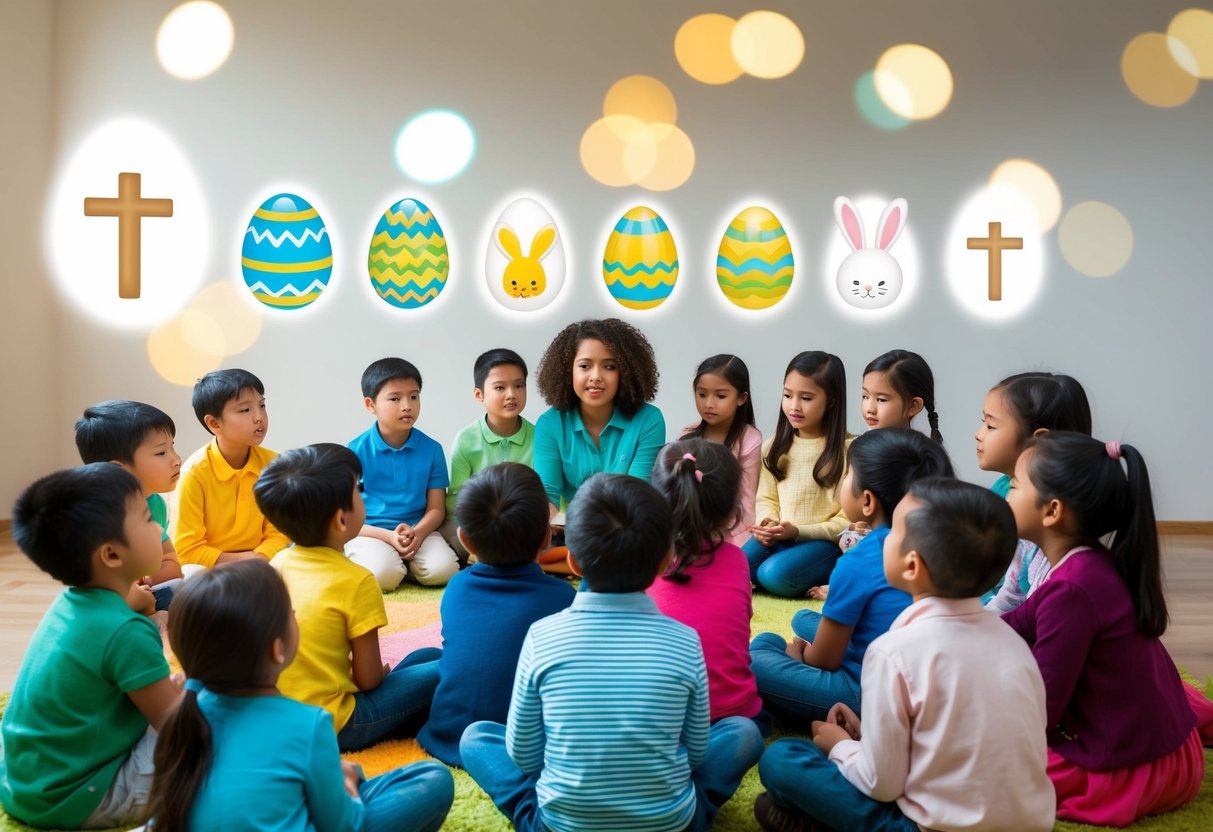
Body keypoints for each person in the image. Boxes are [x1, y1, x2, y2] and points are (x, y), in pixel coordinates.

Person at [460, 473, 764, 832]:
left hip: (560, 824)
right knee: (744, 732)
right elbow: (696, 754)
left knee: (475, 737)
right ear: (666, 559)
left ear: (571, 562)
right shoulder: (685, 640)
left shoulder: (541, 636)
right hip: (671, 825)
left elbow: (524, 756)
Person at [754, 477, 1055, 832]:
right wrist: (869, 736)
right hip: (1031, 824)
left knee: (781, 758)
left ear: (911, 567)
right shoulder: (1016, 646)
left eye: (893, 530)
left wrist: (840, 748)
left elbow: (882, 784)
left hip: (928, 826)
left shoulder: (893, 652)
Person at [145, 559, 454, 831]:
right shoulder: (308, 724)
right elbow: (344, 825)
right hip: (329, 812)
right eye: (291, 614)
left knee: (337, 773)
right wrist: (344, 786)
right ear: (278, 650)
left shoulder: (182, 714)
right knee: (432, 780)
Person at [1003, 432, 1213, 827]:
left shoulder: (1071, 589)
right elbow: (1016, 622)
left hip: (1127, 775)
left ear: (1051, 511)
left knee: (982, 760)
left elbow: (1041, 711)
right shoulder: (1087, 563)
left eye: (1013, 487)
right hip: (1177, 752)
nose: (1005, 497)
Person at [1, 464, 181, 829]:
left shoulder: (71, 602)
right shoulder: (126, 633)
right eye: (148, 519)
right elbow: (176, 723)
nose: (159, 529)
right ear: (112, 555)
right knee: (211, 737)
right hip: (80, 797)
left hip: (28, 783)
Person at [750, 429, 954, 727]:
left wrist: (799, 655)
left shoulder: (861, 559)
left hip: (873, 695)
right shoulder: (943, 546)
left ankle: (784, 707)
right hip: (924, 681)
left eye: (846, 476)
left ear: (868, 501)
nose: (844, 482)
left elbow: (824, 662)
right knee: (803, 619)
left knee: (758, 653)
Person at [254, 444, 442, 751]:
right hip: (339, 726)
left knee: (427, 656)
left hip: (283, 718)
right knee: (446, 666)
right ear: (342, 520)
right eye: (359, 490)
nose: (363, 495)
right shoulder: (356, 581)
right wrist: (378, 674)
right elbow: (368, 681)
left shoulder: (276, 565)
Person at [418, 462, 575, 766]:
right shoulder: (564, 598)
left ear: (465, 540)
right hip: (516, 745)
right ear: (547, 538)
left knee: (431, 657)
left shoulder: (457, 586)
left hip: (445, 735)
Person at [647, 439, 765, 731]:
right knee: (764, 650)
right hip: (732, 715)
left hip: (657, 722)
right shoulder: (737, 560)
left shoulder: (640, 561)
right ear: (731, 511)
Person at [532, 318, 665, 574]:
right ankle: (592, 563)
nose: (596, 377)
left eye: (609, 366)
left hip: (627, 525)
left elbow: (637, 493)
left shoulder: (649, 420)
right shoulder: (549, 424)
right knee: (523, 542)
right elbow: (545, 494)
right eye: (584, 366)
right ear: (567, 371)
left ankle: (573, 564)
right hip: (570, 530)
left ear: (626, 371)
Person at [810, 348, 942, 600]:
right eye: (865, 396)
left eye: (881, 400)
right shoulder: (863, 446)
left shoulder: (916, 457)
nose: (869, 408)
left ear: (913, 406)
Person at [976, 371, 1092, 611]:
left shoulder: (1045, 519)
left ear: (1039, 441)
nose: (978, 434)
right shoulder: (1001, 488)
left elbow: (1023, 602)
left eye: (990, 425)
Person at [346, 357, 459, 590]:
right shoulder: (355, 451)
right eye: (395, 398)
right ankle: (394, 563)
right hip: (371, 532)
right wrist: (389, 538)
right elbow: (347, 517)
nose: (407, 405)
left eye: (414, 396)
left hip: (420, 530)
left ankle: (403, 563)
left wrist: (417, 533)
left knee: (444, 571)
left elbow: (436, 509)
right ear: (370, 404)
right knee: (381, 576)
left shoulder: (432, 449)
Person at [743, 351, 850, 597]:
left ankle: (825, 573)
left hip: (825, 542)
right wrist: (768, 523)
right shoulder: (774, 446)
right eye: (788, 395)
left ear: (831, 401)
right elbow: (766, 499)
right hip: (781, 537)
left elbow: (846, 521)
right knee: (734, 569)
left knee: (773, 575)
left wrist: (798, 532)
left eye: (806, 398)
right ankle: (781, 566)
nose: (794, 406)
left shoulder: (848, 451)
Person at [174, 368, 289, 570]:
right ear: (214, 423)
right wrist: (248, 560)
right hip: (213, 566)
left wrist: (260, 558)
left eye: (262, 405)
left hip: (262, 560)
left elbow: (279, 532)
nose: (259, 417)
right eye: (245, 410)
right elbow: (186, 550)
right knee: (191, 572)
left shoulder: (274, 464)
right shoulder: (194, 473)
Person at [74, 400, 184, 611]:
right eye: (162, 452)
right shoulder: (101, 520)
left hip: (144, 596)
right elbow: (97, 590)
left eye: (173, 447)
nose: (177, 459)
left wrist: (150, 579)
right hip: (108, 608)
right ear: (119, 471)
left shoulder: (154, 503)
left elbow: (170, 560)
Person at [440, 348, 535, 566]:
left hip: (522, 522)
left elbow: (543, 494)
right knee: (452, 536)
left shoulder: (539, 438)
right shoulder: (466, 439)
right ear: (479, 395)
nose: (512, 394)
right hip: (475, 522)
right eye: (500, 387)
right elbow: (457, 498)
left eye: (519, 385)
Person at [680, 354, 762, 547]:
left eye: (721, 396)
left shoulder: (749, 439)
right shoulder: (688, 434)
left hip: (734, 532)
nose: (708, 403)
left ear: (742, 398)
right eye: (702, 394)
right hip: (690, 529)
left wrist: (720, 531)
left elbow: (748, 503)